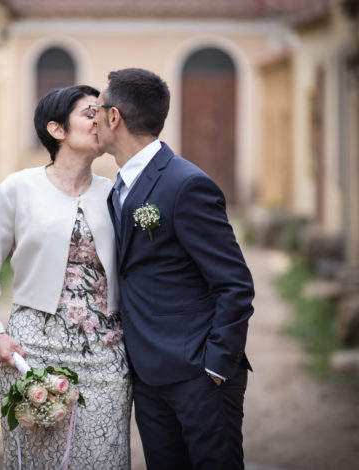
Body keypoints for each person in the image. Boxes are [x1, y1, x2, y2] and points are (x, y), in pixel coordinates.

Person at [92, 68, 254, 469]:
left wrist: (216, 364)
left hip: (199, 376)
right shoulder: (119, 188)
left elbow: (235, 284)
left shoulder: (185, 185)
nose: (92, 117)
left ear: (115, 118)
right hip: (149, 377)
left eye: (97, 108)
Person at [0, 85, 131, 469]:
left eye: (103, 112)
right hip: (33, 355)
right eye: (89, 113)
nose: (100, 119)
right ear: (57, 130)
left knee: (105, 458)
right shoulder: (17, 190)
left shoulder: (115, 194)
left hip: (106, 357)